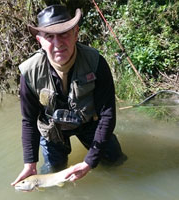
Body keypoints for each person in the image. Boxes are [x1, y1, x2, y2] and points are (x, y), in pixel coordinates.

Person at [11, 4, 126, 186]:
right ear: (39, 39)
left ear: (76, 33)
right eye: (49, 36)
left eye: (64, 33)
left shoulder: (96, 62)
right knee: (52, 173)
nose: (58, 44)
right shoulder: (29, 72)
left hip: (90, 123)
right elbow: (28, 121)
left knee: (116, 162)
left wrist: (89, 162)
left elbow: (107, 114)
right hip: (52, 129)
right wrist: (30, 164)